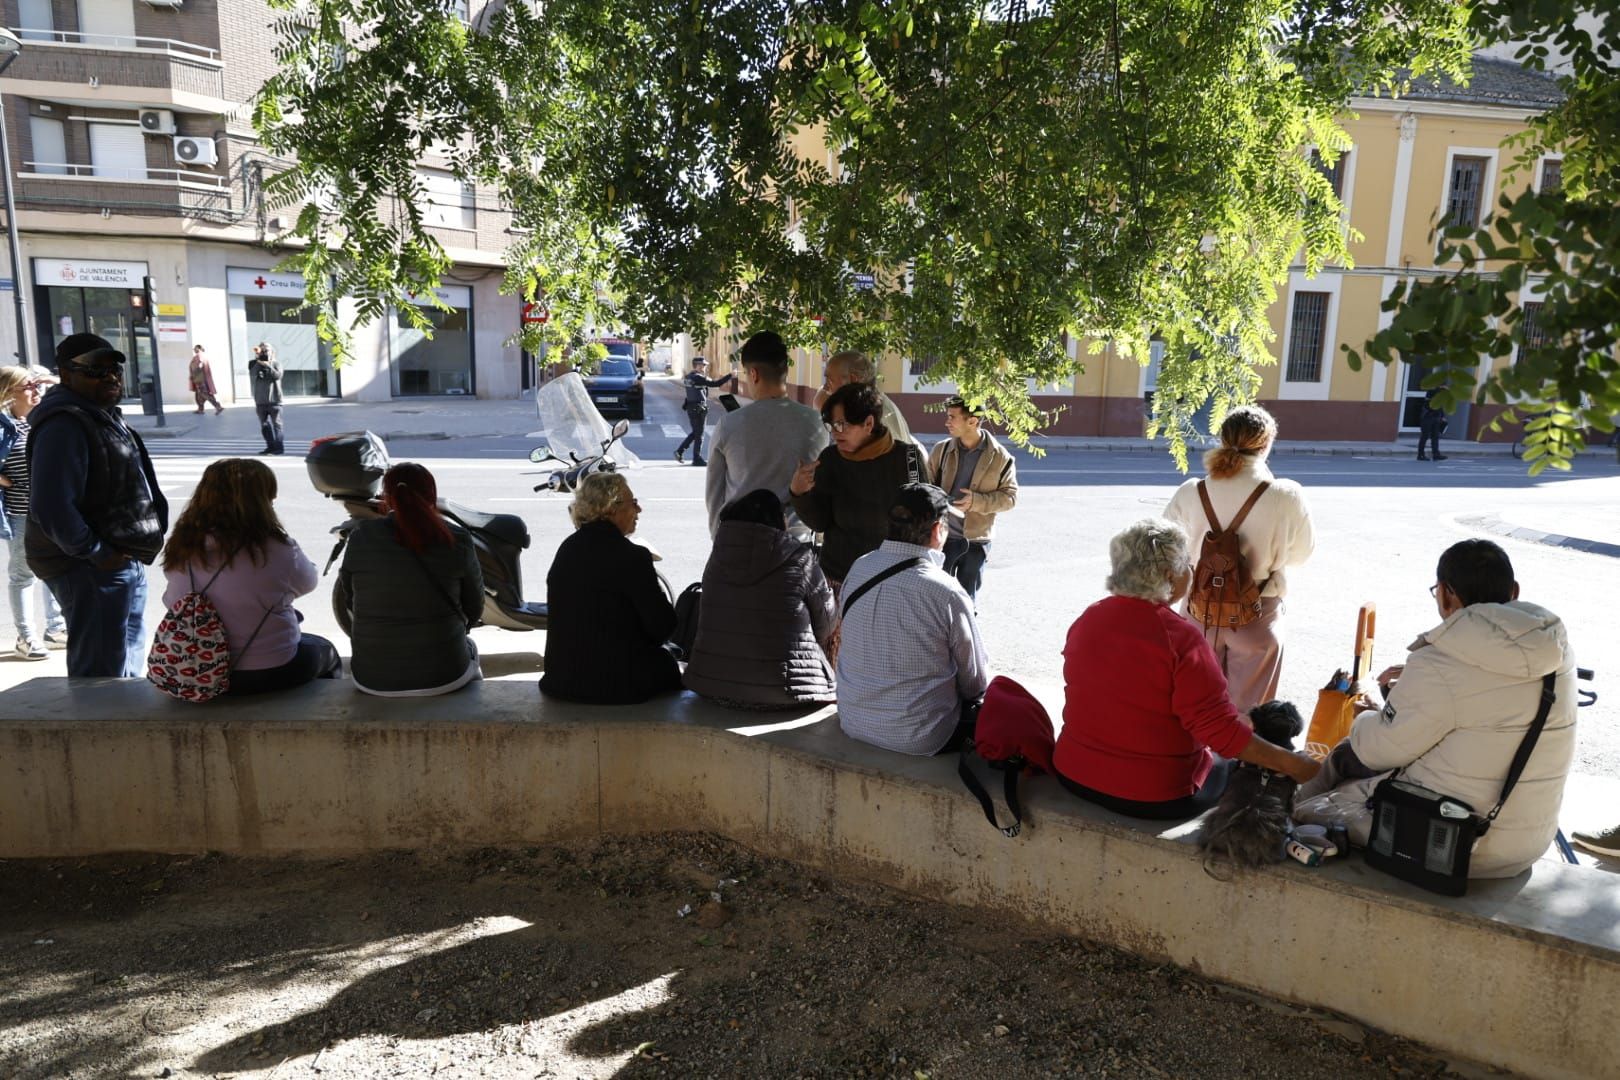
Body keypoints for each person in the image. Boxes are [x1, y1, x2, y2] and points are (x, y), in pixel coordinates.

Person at [1294, 540, 1577, 878]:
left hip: (1454, 845)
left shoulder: (1441, 659)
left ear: (1444, 594)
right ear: (1514, 591)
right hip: (1527, 841)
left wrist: (1368, 715)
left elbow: (1377, 751)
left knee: (1313, 804)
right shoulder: (1557, 650)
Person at [1053, 518, 1320, 820]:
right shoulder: (1179, 638)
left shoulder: (1089, 618)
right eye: (1188, 565)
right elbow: (1220, 732)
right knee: (1232, 766)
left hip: (1072, 773)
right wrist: (1296, 765)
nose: (1191, 572)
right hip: (1153, 795)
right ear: (1170, 575)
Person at [26, 334, 168, 678]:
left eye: (115, 369)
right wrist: (98, 553)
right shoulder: (64, 425)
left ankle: (122, 714)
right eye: (95, 370)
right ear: (65, 374)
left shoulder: (101, 416)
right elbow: (52, 507)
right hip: (89, 567)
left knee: (124, 667)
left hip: (119, 559)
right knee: (100, 677)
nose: (110, 376)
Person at [1162, 405, 1314, 714]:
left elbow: (1167, 548)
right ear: (1266, 443)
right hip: (1256, 613)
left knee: (1193, 708)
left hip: (1198, 611)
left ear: (1222, 439)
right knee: (1249, 717)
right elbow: (1301, 555)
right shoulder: (1286, 495)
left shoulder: (1192, 491)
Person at [160, 458, 341, 694]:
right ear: (262, 502)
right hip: (269, 668)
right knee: (326, 650)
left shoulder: (182, 545)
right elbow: (308, 583)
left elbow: (171, 600)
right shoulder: (278, 548)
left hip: (193, 670)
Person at [836, 483, 989, 755]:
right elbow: (975, 683)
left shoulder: (860, 566)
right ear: (937, 530)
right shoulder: (946, 591)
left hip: (853, 721)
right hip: (922, 736)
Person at [338, 463, 483, 696]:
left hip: (371, 678)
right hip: (445, 677)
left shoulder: (361, 536)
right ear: (432, 496)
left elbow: (350, 599)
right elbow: (474, 608)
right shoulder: (455, 538)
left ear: (387, 497)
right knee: (471, 648)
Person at [684, 489, 836, 708]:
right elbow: (826, 625)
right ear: (778, 520)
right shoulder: (799, 558)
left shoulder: (717, 557)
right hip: (787, 692)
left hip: (712, 687)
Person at [540, 471, 682, 703]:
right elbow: (663, 626)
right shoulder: (633, 557)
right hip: (615, 686)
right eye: (633, 503)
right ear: (610, 509)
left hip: (561, 680)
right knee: (668, 662)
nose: (639, 510)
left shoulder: (568, 549)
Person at [790, 382, 927, 588]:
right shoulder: (830, 459)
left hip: (893, 580)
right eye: (831, 426)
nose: (834, 433)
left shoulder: (908, 459)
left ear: (868, 423)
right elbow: (819, 522)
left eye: (841, 424)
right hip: (840, 579)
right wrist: (799, 492)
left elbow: (925, 521)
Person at [704, 330, 827, 537]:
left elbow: (714, 495)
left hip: (741, 538)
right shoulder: (816, 423)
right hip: (795, 542)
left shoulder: (729, 424)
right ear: (785, 370)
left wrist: (720, 540)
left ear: (754, 374)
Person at [925, 395, 1018, 603]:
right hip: (941, 538)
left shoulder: (1000, 456)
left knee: (967, 603)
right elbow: (926, 485)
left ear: (973, 421)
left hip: (976, 542)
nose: (947, 422)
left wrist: (976, 501)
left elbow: (1010, 498)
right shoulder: (941, 450)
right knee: (935, 600)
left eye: (952, 417)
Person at [0, 366, 66, 659]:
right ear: (8, 392)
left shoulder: (39, 419)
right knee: (23, 575)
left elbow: (75, 393)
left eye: (37, 385)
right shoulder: (4, 426)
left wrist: (52, 380)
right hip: (21, 513)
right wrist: (4, 480)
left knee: (54, 568)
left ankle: (55, 629)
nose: (36, 390)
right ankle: (26, 637)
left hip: (50, 510)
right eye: (28, 386)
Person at [815, 349, 913, 444]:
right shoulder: (870, 406)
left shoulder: (875, 414)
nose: (826, 387)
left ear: (853, 379)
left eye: (830, 381)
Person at [673, 356, 736, 467]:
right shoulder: (698, 378)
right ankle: (696, 459)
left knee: (695, 432)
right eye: (703, 365)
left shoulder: (689, 377)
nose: (705, 367)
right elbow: (716, 384)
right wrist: (730, 375)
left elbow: (703, 384)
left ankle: (680, 451)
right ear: (697, 366)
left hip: (691, 407)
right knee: (700, 434)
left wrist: (706, 379)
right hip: (699, 408)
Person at [249, 342, 284, 456]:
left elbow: (277, 376)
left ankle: (279, 448)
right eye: (262, 350)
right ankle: (270, 447)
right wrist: (259, 361)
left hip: (275, 401)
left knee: (277, 425)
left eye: (266, 350)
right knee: (264, 426)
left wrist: (268, 365)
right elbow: (252, 374)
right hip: (260, 402)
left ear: (272, 352)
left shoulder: (277, 364)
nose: (264, 352)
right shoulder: (255, 364)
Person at [189, 345, 224, 415]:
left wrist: (195, 372)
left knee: (204, 393)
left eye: (195, 348)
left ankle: (218, 406)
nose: (194, 350)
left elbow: (200, 364)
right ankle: (200, 409)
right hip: (198, 378)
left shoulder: (200, 355)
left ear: (199, 348)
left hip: (200, 378)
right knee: (198, 395)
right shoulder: (199, 356)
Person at [1417, 387, 1448, 461]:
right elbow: (1428, 405)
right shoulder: (1431, 391)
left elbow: (1440, 406)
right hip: (1427, 417)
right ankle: (1420, 455)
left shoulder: (1440, 392)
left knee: (1435, 436)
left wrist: (1442, 416)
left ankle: (1436, 454)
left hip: (1436, 417)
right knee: (1425, 436)